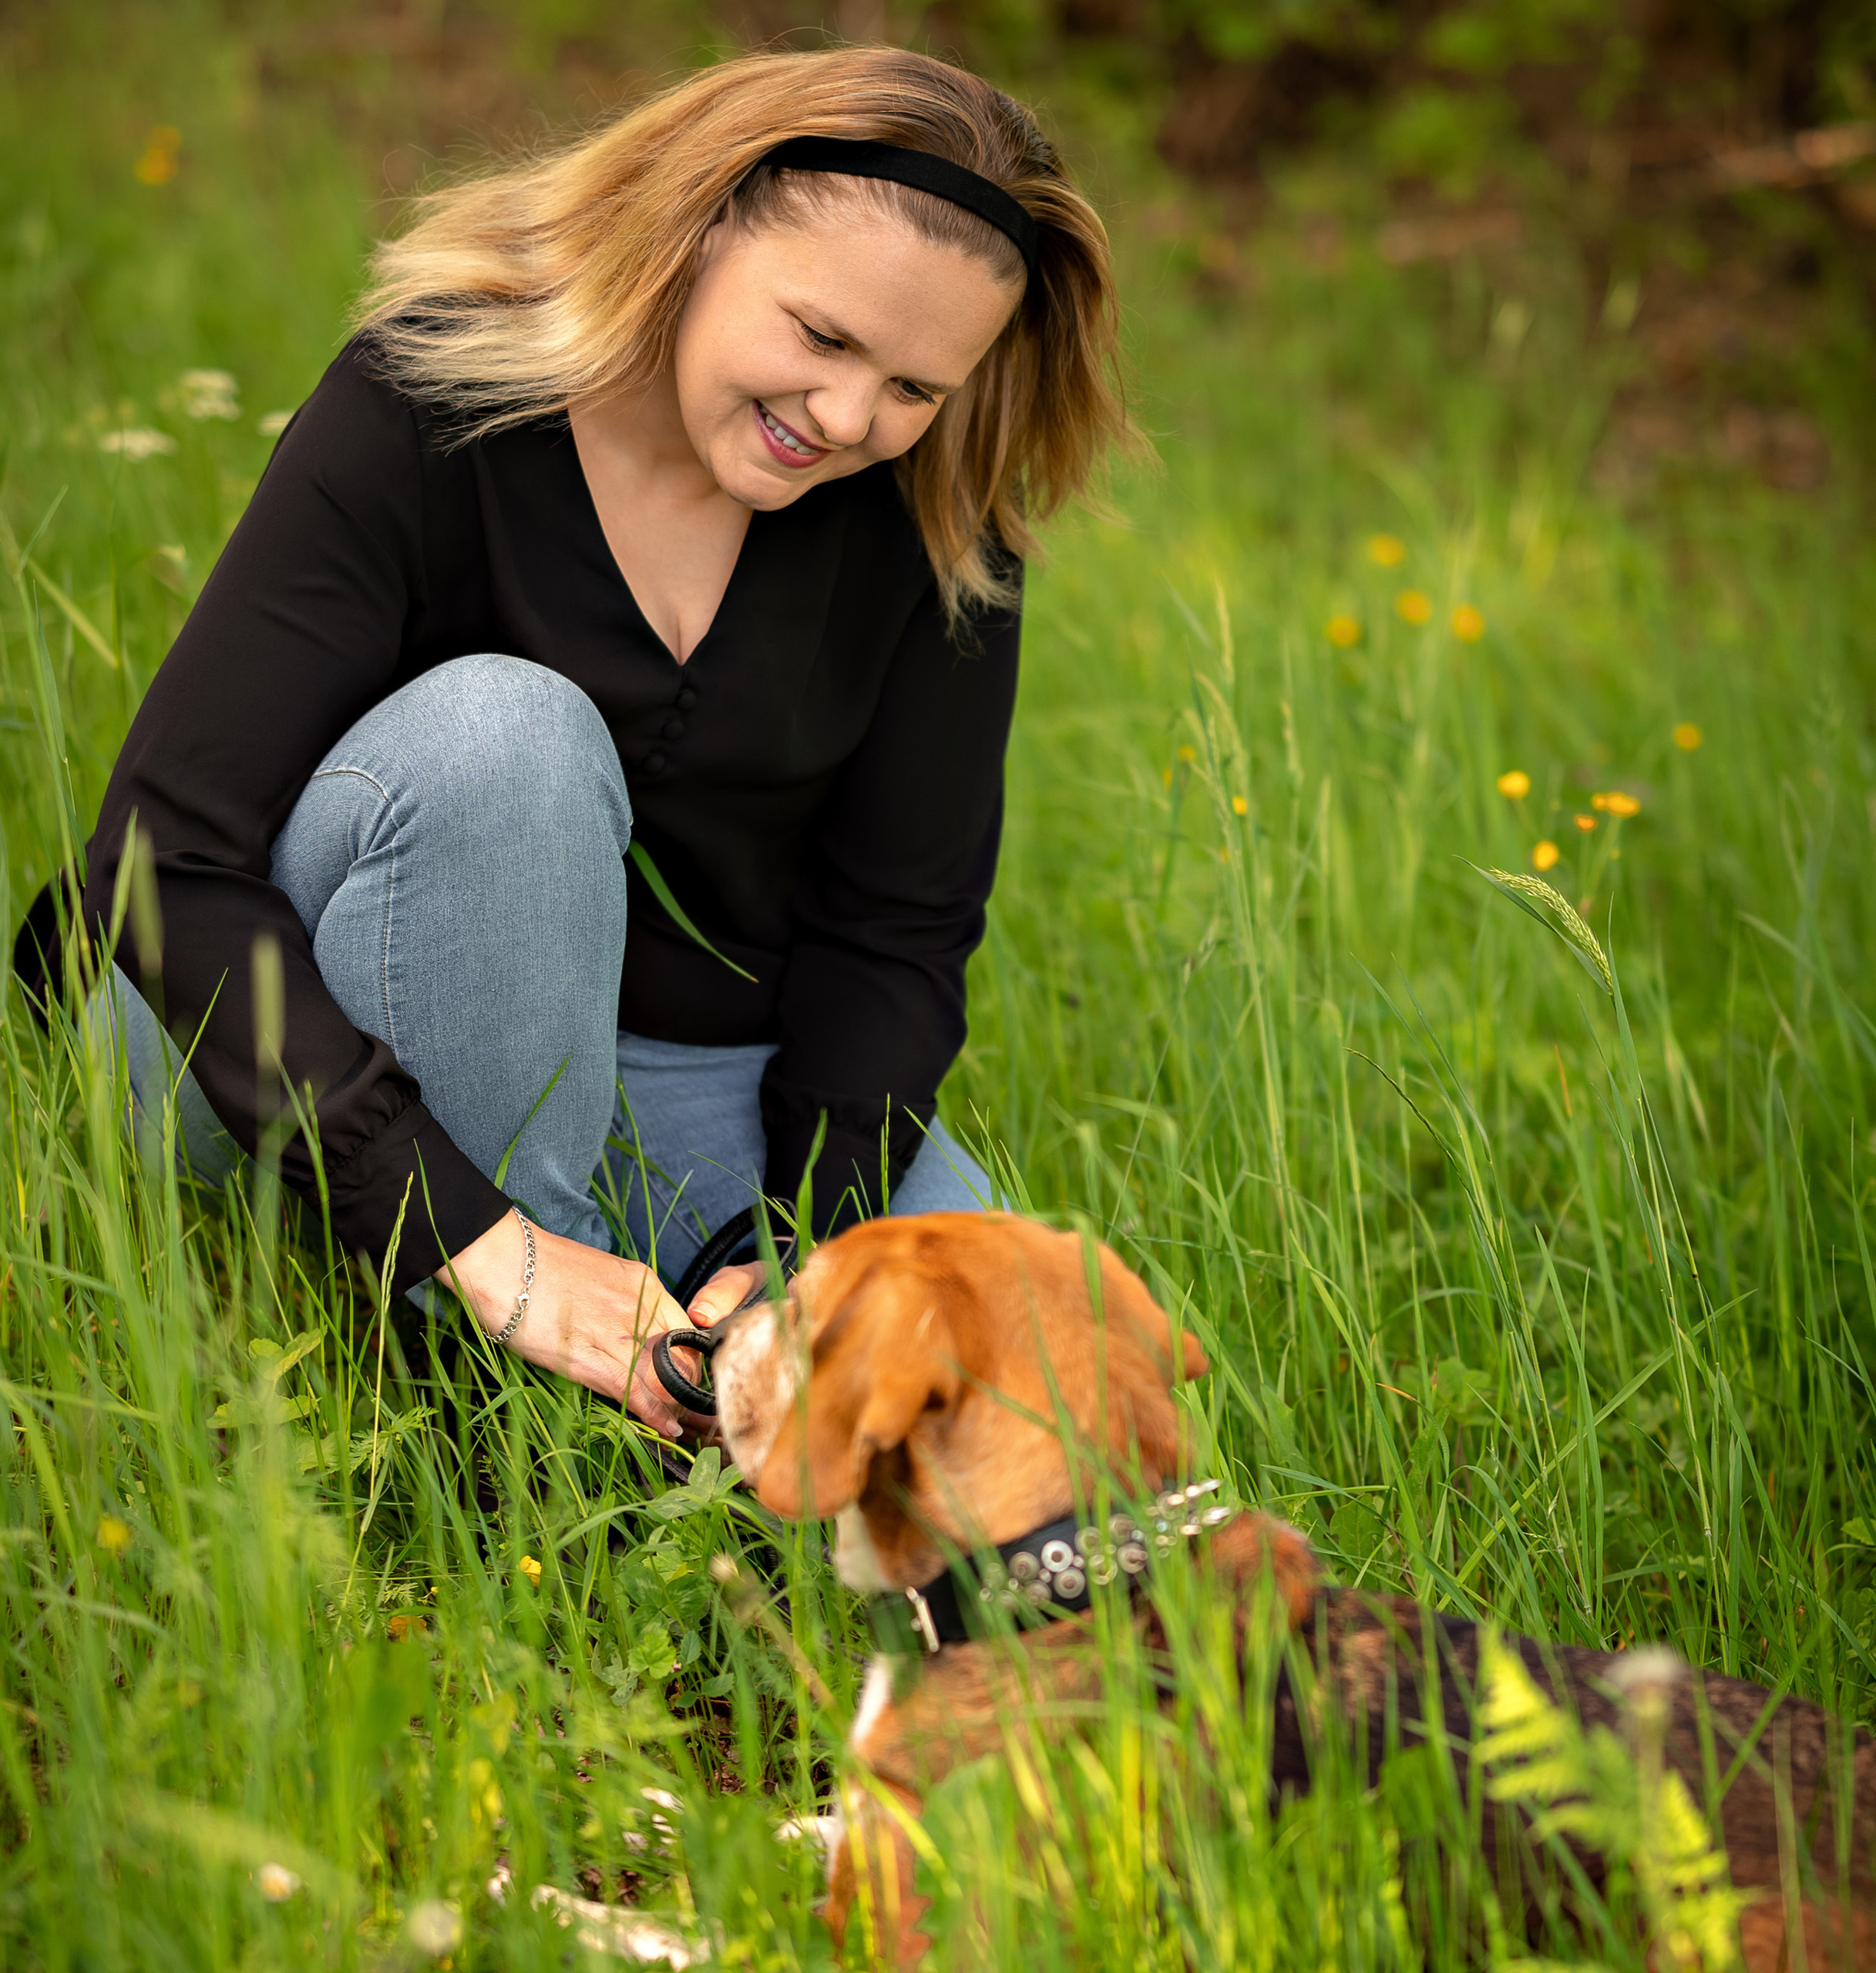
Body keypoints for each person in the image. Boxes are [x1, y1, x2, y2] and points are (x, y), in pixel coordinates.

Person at [40, 47, 1128, 1438]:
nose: (853, 420)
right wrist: (486, 1242)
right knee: (510, 734)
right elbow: (165, 860)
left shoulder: (932, 520)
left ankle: (629, 1346)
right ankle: (501, 1414)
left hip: (673, 1062)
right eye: (826, 338)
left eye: (918, 387)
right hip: (253, 1032)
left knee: (993, 1351)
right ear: (695, 230)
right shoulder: (434, 396)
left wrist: (801, 1243)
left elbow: (894, 930)